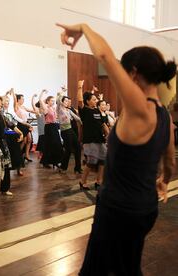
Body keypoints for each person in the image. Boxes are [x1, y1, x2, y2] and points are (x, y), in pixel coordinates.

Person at [57, 23, 176, 276]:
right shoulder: (165, 116)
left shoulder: (139, 109)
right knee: (127, 267)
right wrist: (164, 182)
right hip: (146, 208)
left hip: (119, 209)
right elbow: (169, 162)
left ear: (132, 74)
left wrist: (83, 27)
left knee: (94, 270)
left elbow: (103, 55)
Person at [76, 80, 109, 190]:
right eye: (94, 99)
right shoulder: (84, 111)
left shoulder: (97, 111)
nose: (96, 101)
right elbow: (80, 100)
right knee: (91, 161)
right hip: (89, 141)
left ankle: (99, 181)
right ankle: (82, 181)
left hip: (100, 140)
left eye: (96, 99)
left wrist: (108, 134)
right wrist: (80, 88)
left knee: (103, 160)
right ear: (87, 101)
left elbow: (103, 124)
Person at [55, 89, 82, 173]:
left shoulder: (69, 110)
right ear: (62, 102)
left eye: (68, 101)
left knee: (78, 147)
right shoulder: (59, 109)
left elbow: (77, 118)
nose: (67, 102)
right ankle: (63, 167)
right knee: (68, 149)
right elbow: (58, 100)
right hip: (65, 131)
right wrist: (62, 92)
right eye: (65, 101)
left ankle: (77, 168)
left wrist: (82, 122)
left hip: (70, 130)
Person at [36, 90, 63, 169]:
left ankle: (56, 161)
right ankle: (45, 162)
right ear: (47, 101)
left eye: (53, 101)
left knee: (57, 144)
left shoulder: (53, 108)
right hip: (48, 127)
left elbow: (59, 102)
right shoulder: (46, 108)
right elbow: (40, 100)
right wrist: (42, 92)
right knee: (49, 145)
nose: (53, 102)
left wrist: (61, 93)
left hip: (54, 126)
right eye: (51, 101)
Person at [12, 90, 35, 162]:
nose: (23, 100)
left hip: (26, 125)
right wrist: (13, 92)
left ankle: (27, 155)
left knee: (29, 140)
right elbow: (14, 100)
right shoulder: (16, 107)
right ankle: (18, 155)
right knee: (24, 141)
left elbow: (33, 110)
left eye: (23, 99)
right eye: (22, 99)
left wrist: (33, 99)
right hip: (21, 125)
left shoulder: (23, 107)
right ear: (18, 100)